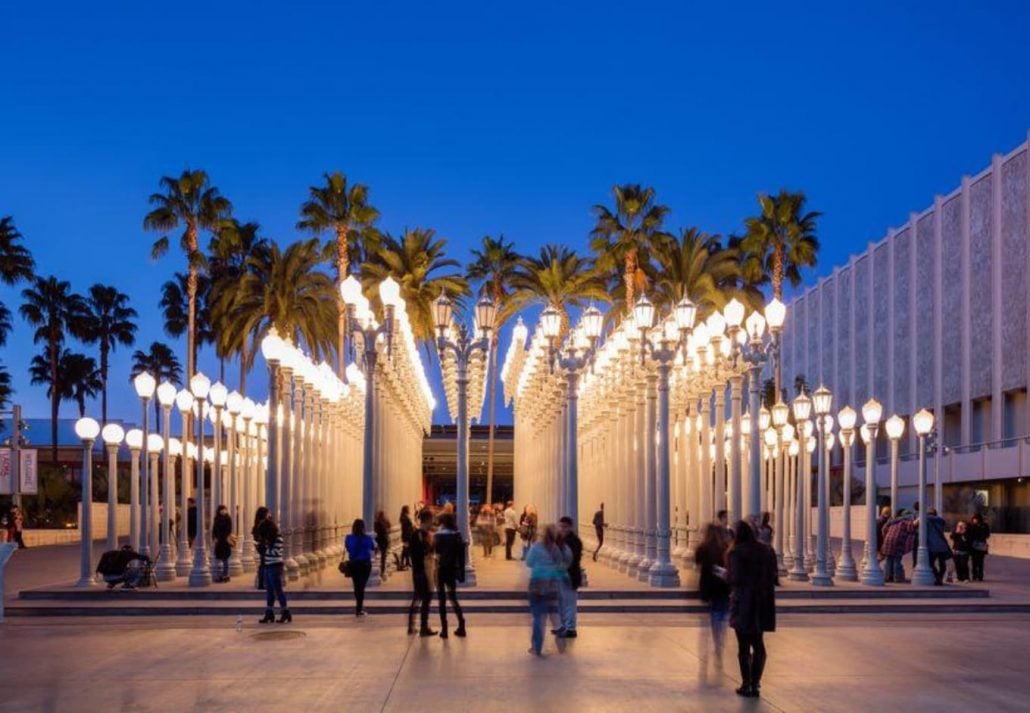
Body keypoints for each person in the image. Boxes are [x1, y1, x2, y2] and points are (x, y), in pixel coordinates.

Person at [728, 520, 776, 698]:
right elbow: (773, 574)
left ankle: (746, 683)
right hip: (762, 601)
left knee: (743, 646)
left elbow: (735, 578)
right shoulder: (766, 550)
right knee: (759, 643)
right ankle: (756, 684)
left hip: (744, 602)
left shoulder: (736, 552)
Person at [525, 523, 571, 656]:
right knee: (554, 614)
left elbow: (528, 562)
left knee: (538, 617)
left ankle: (536, 647)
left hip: (537, 585)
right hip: (552, 585)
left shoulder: (537, 547)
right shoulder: (556, 548)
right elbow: (561, 563)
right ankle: (561, 640)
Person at [695, 523, 731, 664]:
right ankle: (719, 640)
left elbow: (697, 563)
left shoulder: (703, 547)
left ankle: (716, 637)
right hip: (722, 583)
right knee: (722, 611)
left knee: (715, 612)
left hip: (709, 583)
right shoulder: (725, 547)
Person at [433, 513, 467, 638]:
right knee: (453, 598)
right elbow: (461, 556)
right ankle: (461, 624)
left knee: (442, 600)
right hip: (452, 570)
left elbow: (435, 551)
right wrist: (461, 573)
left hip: (441, 569)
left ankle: (444, 629)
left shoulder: (439, 536)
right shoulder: (457, 536)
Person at [255, 509, 290, 624]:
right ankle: (269, 613)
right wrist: (262, 547)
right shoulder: (267, 539)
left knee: (278, 590)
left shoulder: (278, 538)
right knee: (269, 591)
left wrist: (265, 548)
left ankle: (285, 612)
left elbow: (276, 553)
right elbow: (266, 552)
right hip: (268, 566)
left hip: (275, 566)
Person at [407, 510, 437, 636]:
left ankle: (412, 625)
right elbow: (425, 551)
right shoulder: (421, 534)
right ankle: (423, 627)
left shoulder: (417, 534)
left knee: (418, 598)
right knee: (425, 598)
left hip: (419, 570)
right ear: (428, 520)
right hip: (423, 570)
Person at [556, 516, 583, 638]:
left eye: (565, 527)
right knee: (561, 602)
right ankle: (564, 625)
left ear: (570, 528)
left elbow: (572, 560)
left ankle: (571, 628)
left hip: (570, 575)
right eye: (560, 526)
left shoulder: (574, 541)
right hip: (560, 575)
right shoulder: (560, 540)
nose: (562, 529)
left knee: (569, 602)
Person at [345, 519, 377, 616]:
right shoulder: (367, 538)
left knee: (356, 585)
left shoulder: (349, 538)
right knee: (361, 586)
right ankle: (359, 608)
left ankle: (358, 607)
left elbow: (347, 548)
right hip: (365, 565)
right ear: (363, 527)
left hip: (354, 564)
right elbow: (373, 548)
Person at [880, 509, 916, 583]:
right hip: (898, 542)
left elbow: (883, 529)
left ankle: (886, 577)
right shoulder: (906, 522)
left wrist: (886, 537)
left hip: (887, 541)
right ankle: (897, 578)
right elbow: (912, 528)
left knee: (888, 560)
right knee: (897, 560)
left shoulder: (893, 521)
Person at [925, 507, 952, 585]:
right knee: (942, 563)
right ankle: (940, 577)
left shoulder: (926, 520)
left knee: (931, 563)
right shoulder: (941, 521)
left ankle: (937, 577)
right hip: (942, 545)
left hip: (932, 546)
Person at [212, 505, 233, 583]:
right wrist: (214, 538)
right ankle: (218, 575)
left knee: (225, 559)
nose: (223, 511)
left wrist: (222, 537)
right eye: (222, 509)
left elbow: (229, 530)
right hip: (219, 541)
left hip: (224, 541)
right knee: (218, 558)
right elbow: (214, 529)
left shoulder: (228, 518)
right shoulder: (216, 519)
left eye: (224, 509)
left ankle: (225, 575)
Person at [967, 513, 990, 582]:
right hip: (974, 545)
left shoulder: (984, 525)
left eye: (976, 519)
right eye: (974, 519)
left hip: (981, 545)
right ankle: (974, 575)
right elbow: (969, 534)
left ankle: (980, 575)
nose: (975, 520)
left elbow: (987, 534)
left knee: (980, 561)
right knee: (974, 561)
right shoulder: (971, 526)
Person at [252, 507, 270, 590]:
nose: (269, 514)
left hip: (260, 546)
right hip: (264, 546)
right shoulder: (264, 524)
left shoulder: (257, 523)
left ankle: (261, 583)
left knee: (263, 564)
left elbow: (255, 536)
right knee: (264, 565)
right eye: (267, 513)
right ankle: (262, 583)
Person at [374, 510, 391, 579]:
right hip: (384, 540)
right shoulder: (384, 521)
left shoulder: (377, 522)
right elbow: (389, 527)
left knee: (375, 554)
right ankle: (382, 571)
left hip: (378, 540)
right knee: (383, 557)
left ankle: (378, 569)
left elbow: (375, 530)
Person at [399, 505, 414, 571]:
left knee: (407, 549)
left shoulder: (403, 517)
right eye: (408, 509)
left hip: (406, 535)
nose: (409, 510)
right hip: (407, 536)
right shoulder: (405, 517)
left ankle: (406, 562)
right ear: (406, 510)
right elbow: (408, 527)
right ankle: (402, 563)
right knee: (406, 549)